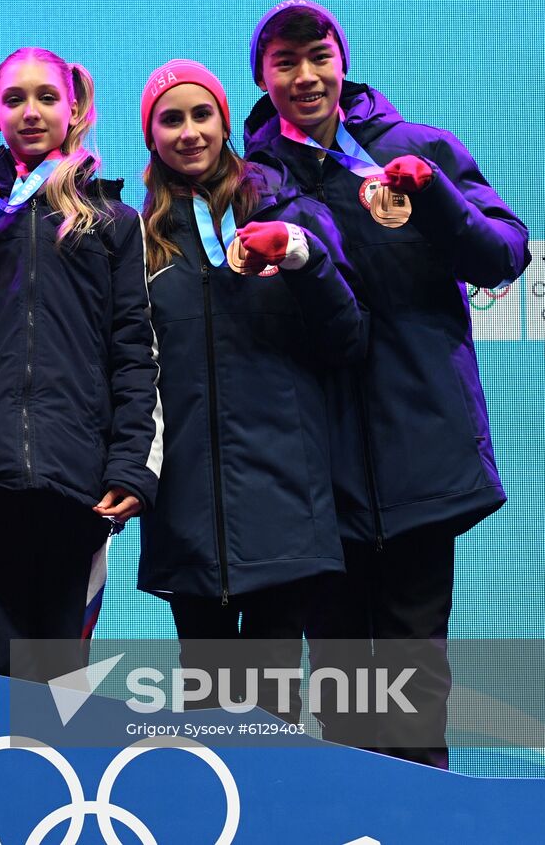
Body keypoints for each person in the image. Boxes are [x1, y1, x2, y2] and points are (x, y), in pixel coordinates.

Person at [243, 0, 531, 766]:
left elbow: (502, 255)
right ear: (263, 78)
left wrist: (431, 193)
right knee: (340, 693)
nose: (306, 76)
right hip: (316, 468)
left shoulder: (419, 148)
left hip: (420, 454)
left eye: (319, 56)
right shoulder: (254, 181)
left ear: (343, 59)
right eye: (285, 62)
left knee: (412, 682)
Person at [0, 47, 163, 678]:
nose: (30, 112)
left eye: (47, 97)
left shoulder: (113, 222)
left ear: (74, 109)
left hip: (77, 478)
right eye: (14, 99)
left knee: (62, 684)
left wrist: (130, 463)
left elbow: (133, 349)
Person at [135, 59, 364, 723]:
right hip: (185, 516)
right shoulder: (135, 238)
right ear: (150, 135)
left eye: (201, 114)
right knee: (207, 710)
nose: (188, 132)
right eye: (170, 118)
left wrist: (303, 257)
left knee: (273, 711)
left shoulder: (290, 212)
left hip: (282, 510)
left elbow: (347, 339)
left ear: (226, 123)